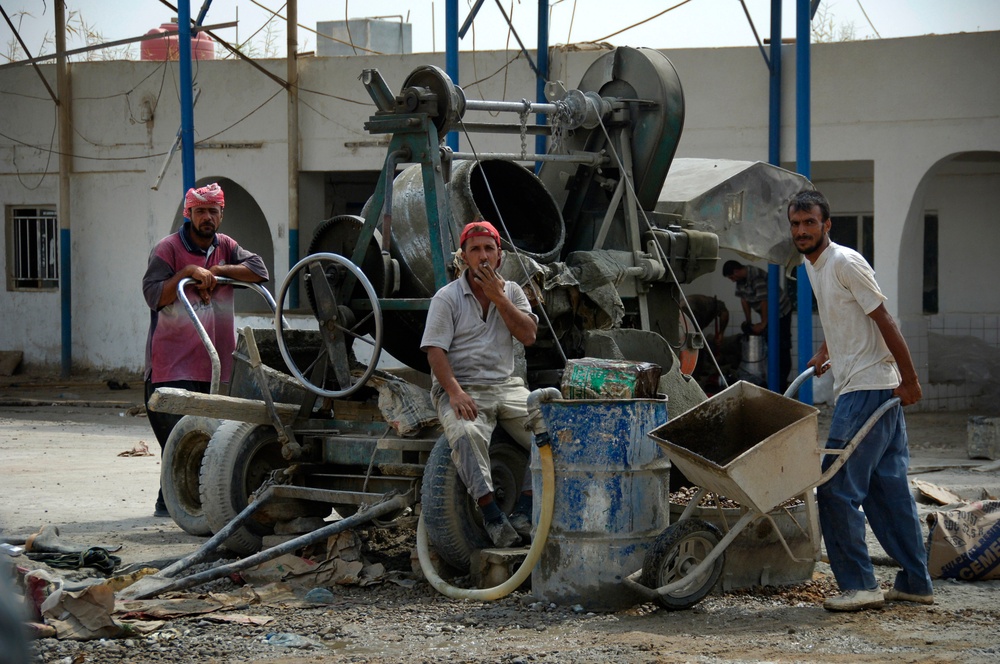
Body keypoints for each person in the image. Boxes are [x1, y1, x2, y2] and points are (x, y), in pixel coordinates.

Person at [788, 189, 933, 612]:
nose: (802, 231)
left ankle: (860, 584)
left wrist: (910, 380)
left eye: (810, 223)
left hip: (868, 390)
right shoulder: (811, 265)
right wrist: (826, 348)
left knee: (833, 488)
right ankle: (915, 582)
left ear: (827, 224)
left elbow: (884, 319)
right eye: (796, 224)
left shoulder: (844, 262)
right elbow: (845, 317)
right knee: (888, 492)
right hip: (868, 386)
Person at [142, 183, 268, 518]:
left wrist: (217, 271)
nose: (207, 217)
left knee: (202, 445)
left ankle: (172, 505)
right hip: (171, 368)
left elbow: (259, 271)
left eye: (213, 211)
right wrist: (186, 272)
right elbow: (153, 295)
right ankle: (179, 506)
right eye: (201, 211)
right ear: (189, 214)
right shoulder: (167, 249)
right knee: (181, 444)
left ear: (221, 214)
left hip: (215, 367)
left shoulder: (226, 247)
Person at [420, 220, 540, 548]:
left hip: (506, 384)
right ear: (464, 257)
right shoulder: (446, 298)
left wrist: (499, 298)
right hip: (462, 386)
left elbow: (528, 336)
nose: (483, 256)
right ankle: (492, 515)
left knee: (550, 431)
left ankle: (526, 510)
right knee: (466, 435)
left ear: (499, 256)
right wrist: (455, 393)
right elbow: (435, 352)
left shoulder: (512, 291)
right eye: (475, 249)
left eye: (489, 248)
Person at [722, 259, 793, 391]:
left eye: (732, 277)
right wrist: (748, 322)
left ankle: (782, 386)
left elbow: (764, 301)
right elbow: (744, 300)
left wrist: (763, 323)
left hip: (781, 312)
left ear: (737, 271)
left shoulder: (755, 277)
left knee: (782, 347)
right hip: (768, 313)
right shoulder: (740, 280)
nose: (732, 280)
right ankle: (772, 382)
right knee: (770, 344)